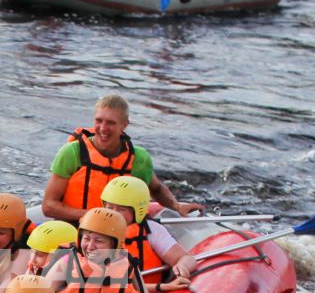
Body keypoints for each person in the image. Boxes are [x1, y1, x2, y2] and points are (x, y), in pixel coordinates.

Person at [42, 93, 202, 224]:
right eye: (99, 121)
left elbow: (156, 189)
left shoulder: (138, 158)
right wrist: (96, 215)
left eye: (110, 123)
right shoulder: (72, 153)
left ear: (124, 125)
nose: (103, 128)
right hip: (75, 226)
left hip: (117, 234)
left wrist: (176, 206)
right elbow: (49, 206)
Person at [46, 208, 163, 293]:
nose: (90, 246)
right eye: (87, 238)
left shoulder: (128, 267)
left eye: (99, 241)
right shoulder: (67, 263)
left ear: (115, 245)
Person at [99, 174, 193, 288]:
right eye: (109, 208)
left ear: (138, 211)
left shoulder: (151, 230)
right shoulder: (95, 229)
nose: (113, 213)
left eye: (121, 209)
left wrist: (182, 266)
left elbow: (186, 258)